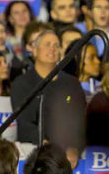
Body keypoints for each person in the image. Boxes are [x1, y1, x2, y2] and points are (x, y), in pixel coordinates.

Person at [11, 30, 85, 163]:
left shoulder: (72, 83)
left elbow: (80, 119)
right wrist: (47, 145)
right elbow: (25, 123)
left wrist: (74, 147)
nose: (52, 48)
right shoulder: (21, 83)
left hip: (70, 149)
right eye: (47, 44)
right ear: (35, 50)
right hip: (35, 149)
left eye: (56, 45)